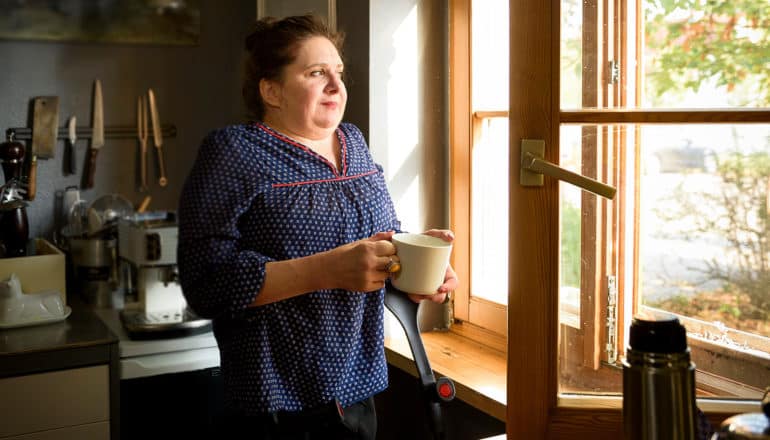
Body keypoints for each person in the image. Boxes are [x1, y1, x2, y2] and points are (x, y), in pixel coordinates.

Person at [177, 14, 458, 440]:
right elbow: (206, 282)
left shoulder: (355, 143)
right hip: (275, 403)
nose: (336, 86)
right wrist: (328, 270)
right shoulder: (232, 152)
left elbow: (380, 247)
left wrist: (415, 270)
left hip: (357, 392)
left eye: (338, 73)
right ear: (271, 90)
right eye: (315, 73)